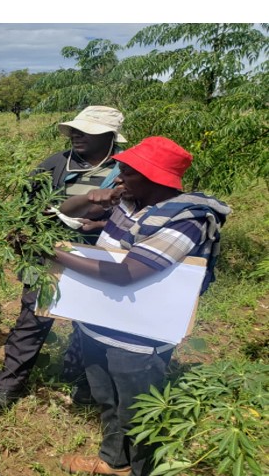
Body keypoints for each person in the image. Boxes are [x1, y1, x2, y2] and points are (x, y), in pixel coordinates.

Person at [55, 136, 231, 476]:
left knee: (137, 410)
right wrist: (90, 197)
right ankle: (113, 462)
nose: (118, 177)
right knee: (107, 398)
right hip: (100, 321)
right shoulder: (128, 202)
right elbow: (67, 212)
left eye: (128, 171)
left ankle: (140, 469)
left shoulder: (186, 220)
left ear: (156, 180)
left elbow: (127, 273)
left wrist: (52, 255)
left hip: (139, 337)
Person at [0, 106, 127, 413]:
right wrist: (21, 235)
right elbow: (25, 206)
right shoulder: (56, 164)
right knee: (32, 319)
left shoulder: (125, 169)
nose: (76, 135)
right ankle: (7, 388)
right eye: (74, 130)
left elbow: (136, 215)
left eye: (85, 131)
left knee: (89, 324)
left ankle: (81, 383)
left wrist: (100, 225)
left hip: (96, 258)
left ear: (109, 136)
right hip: (48, 254)